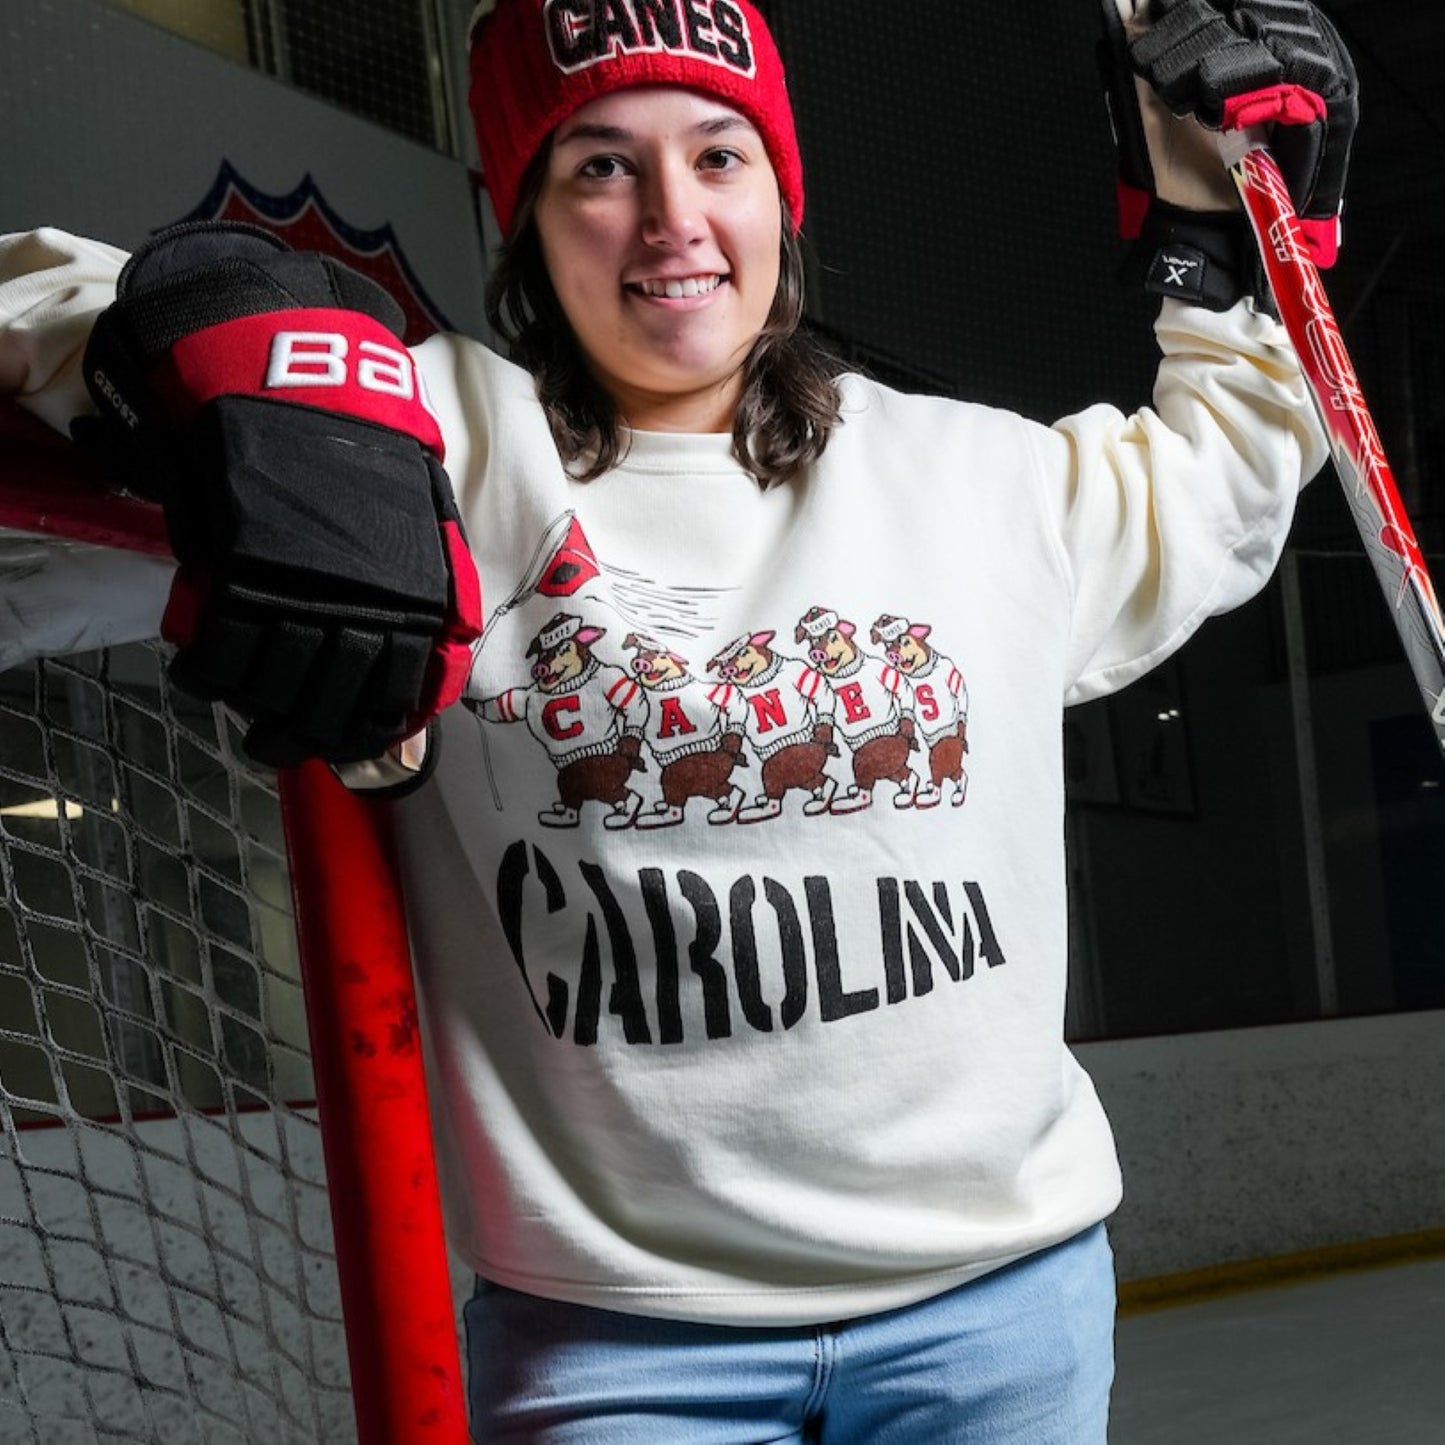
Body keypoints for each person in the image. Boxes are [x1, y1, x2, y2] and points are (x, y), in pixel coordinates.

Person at [0, 0, 1357, 1438]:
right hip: (621, 1349)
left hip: (998, 1313)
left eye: (719, 156)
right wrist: (208, 333)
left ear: (781, 191)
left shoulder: (972, 479)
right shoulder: (435, 444)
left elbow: (1225, 472)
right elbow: (39, 355)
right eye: (599, 166)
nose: (671, 220)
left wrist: (1231, 248)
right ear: (522, 214)